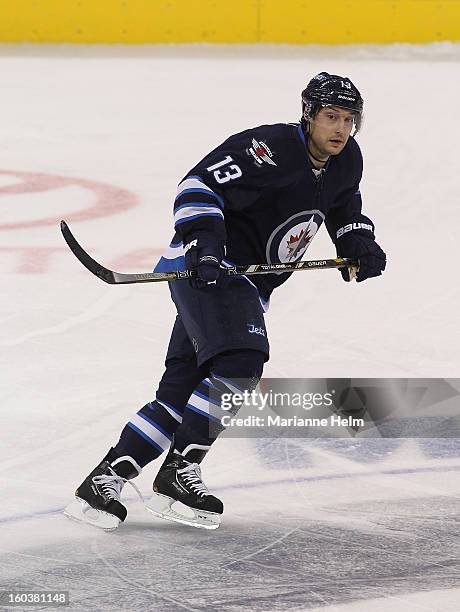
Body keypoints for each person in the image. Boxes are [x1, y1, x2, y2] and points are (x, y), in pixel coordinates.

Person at [64, 72, 386, 531]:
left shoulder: (347, 159)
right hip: (209, 271)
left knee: (182, 390)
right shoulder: (267, 149)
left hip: (247, 284)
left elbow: (343, 207)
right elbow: (196, 187)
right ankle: (180, 471)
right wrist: (206, 246)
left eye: (349, 120)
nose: (340, 129)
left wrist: (359, 242)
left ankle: (103, 483)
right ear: (309, 115)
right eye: (331, 117)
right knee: (241, 359)